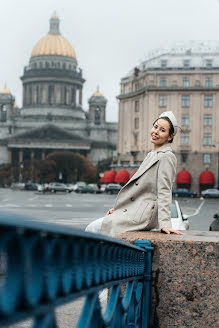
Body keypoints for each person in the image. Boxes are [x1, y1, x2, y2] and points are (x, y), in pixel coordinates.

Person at [86, 111, 182, 237]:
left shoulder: (167, 156)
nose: (156, 132)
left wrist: (165, 224)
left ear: (170, 136)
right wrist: (119, 209)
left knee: (93, 228)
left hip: (142, 216)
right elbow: (139, 191)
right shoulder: (152, 155)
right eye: (155, 126)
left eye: (162, 130)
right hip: (134, 212)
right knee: (94, 229)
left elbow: (164, 190)